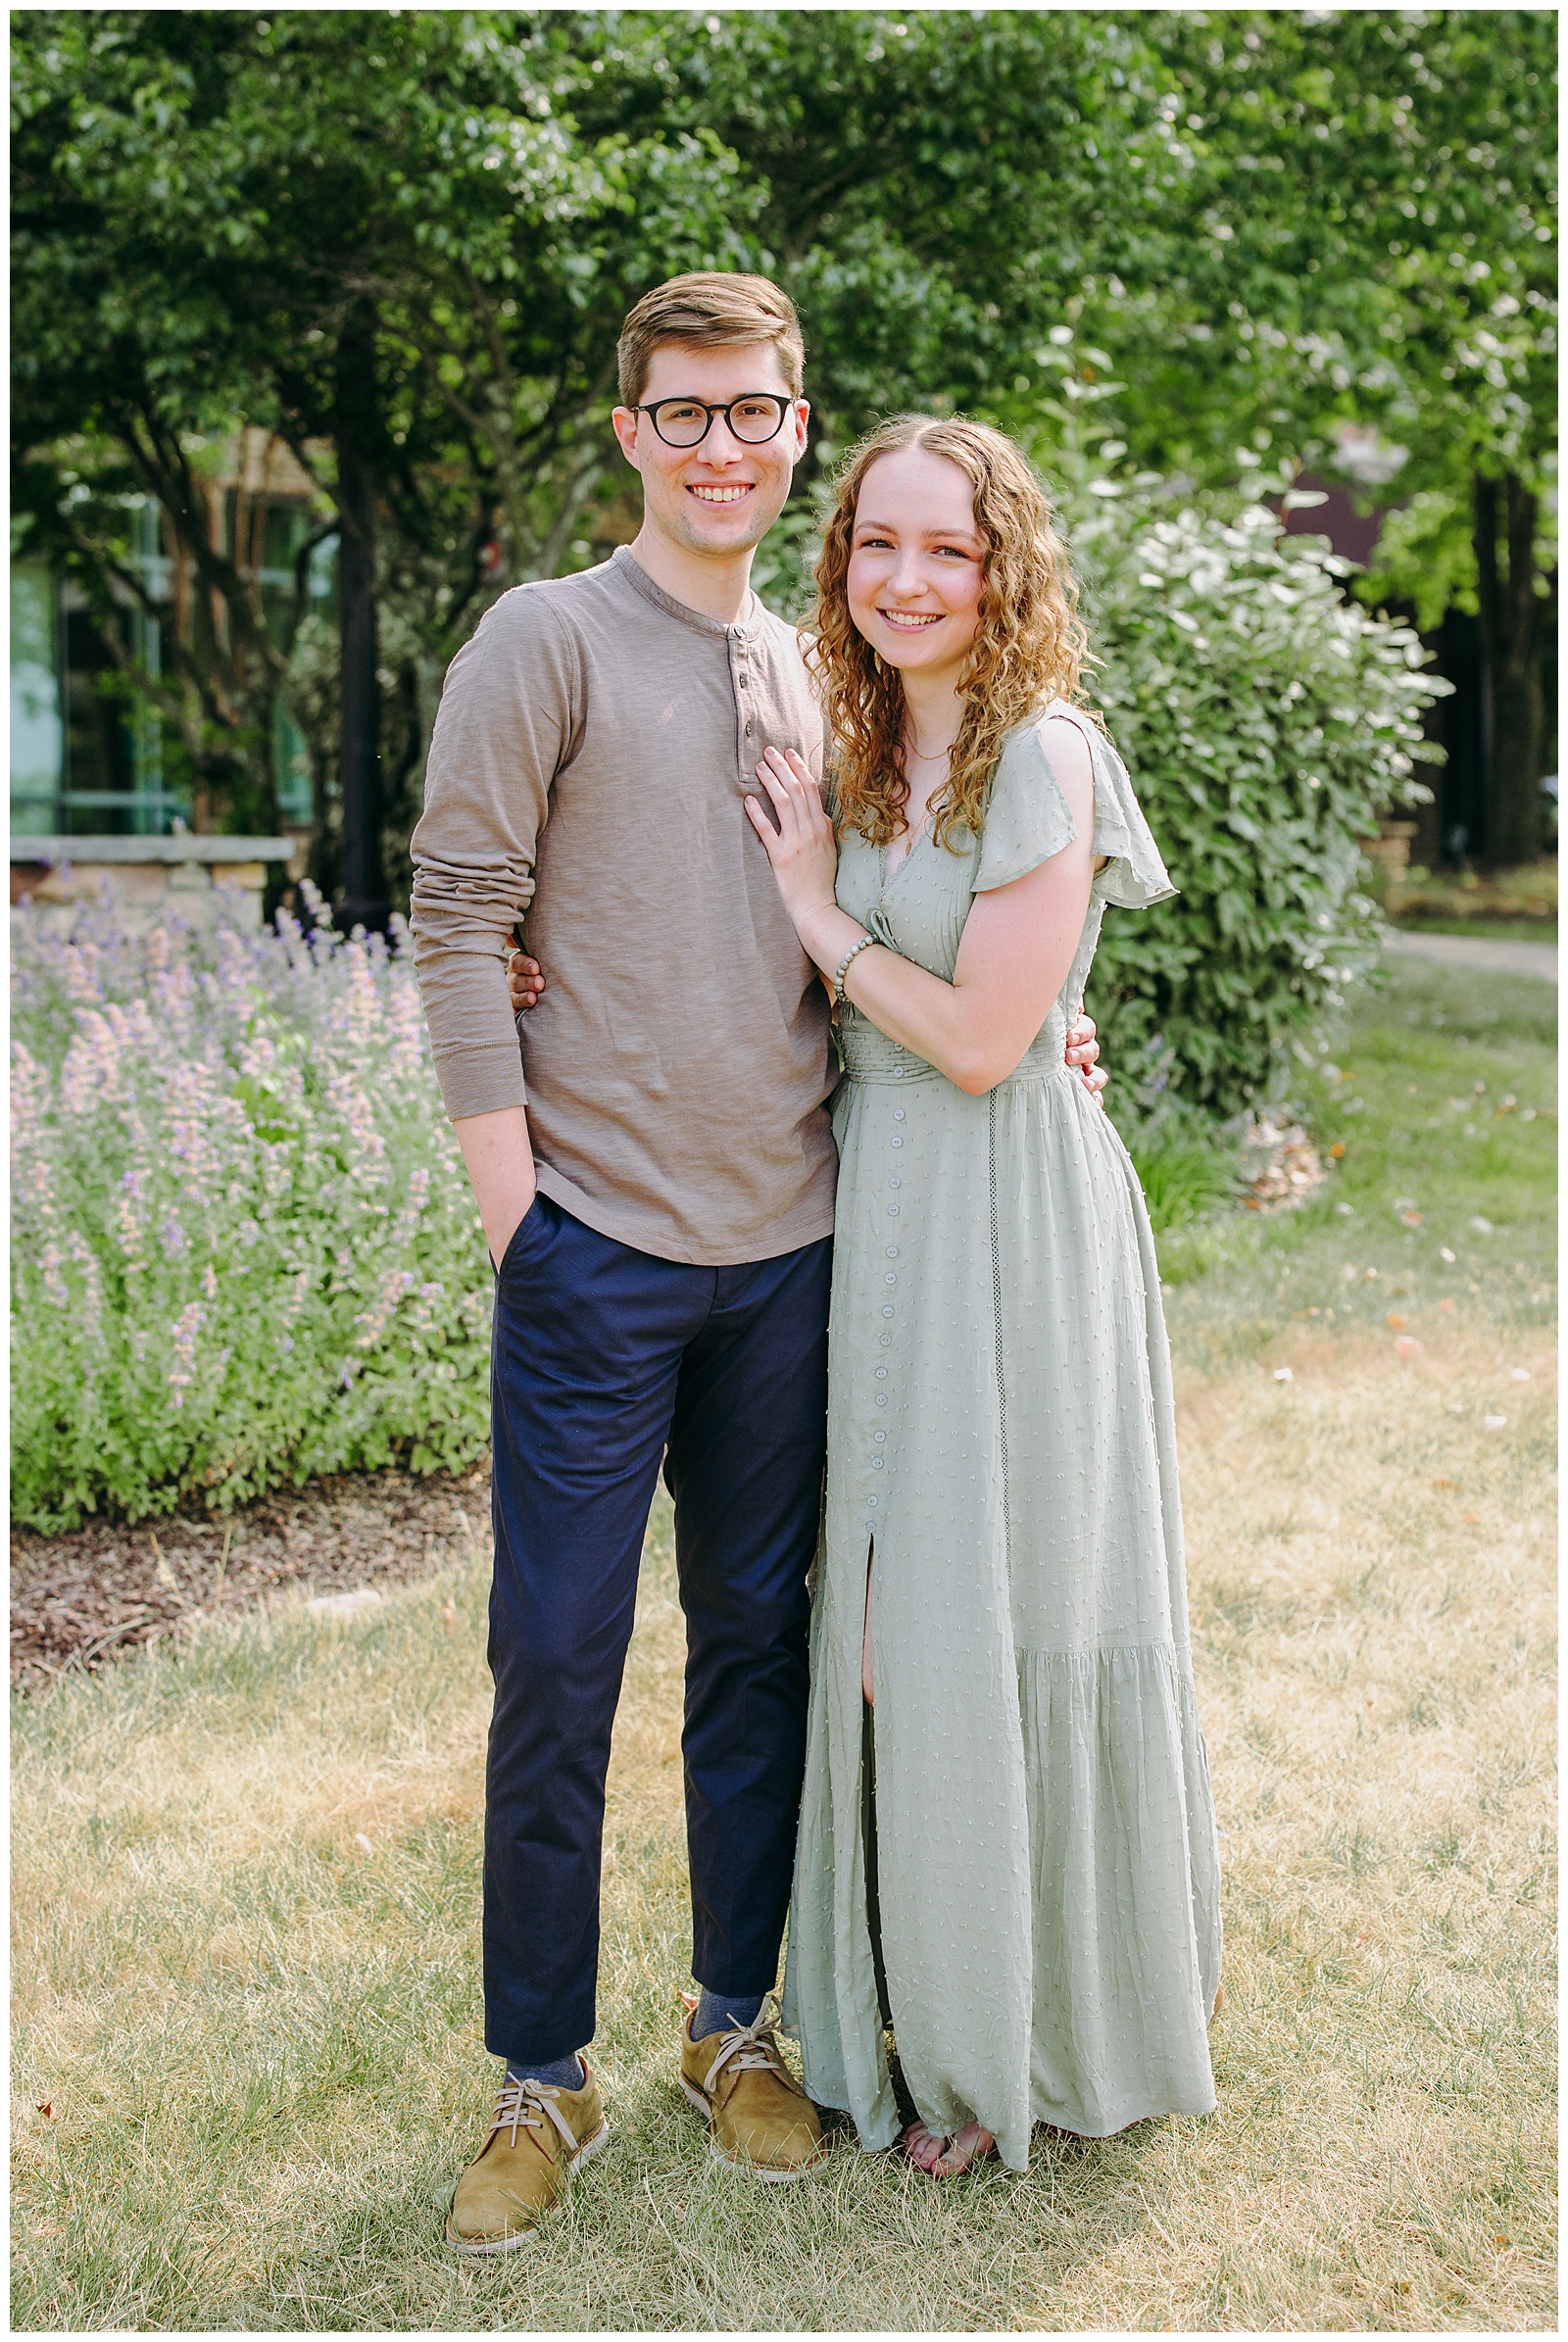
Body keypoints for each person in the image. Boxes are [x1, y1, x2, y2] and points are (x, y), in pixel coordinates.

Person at [408, 272, 1105, 2252]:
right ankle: (538, 2073)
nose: (722, 442)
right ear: (629, 429)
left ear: (796, 430)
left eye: (756, 412)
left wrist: (1046, 1020)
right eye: (684, 411)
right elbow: (460, 919)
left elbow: (926, 906)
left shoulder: (829, 673)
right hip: (595, 1255)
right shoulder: (541, 640)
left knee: (759, 1651)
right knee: (551, 1661)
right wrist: (514, 1217)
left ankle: (734, 2022)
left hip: (796, 1255)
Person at [740, 414, 1223, 2178]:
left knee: (999, 1605)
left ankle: (1013, 2042)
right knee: (879, 1629)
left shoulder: (1042, 752)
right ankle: (922, 2004)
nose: (907, 578)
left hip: (1008, 1209)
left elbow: (980, 1037)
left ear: (1003, 564)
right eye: (877, 543)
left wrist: (814, 910)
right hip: (885, 1216)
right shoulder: (863, 743)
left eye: (946, 548)